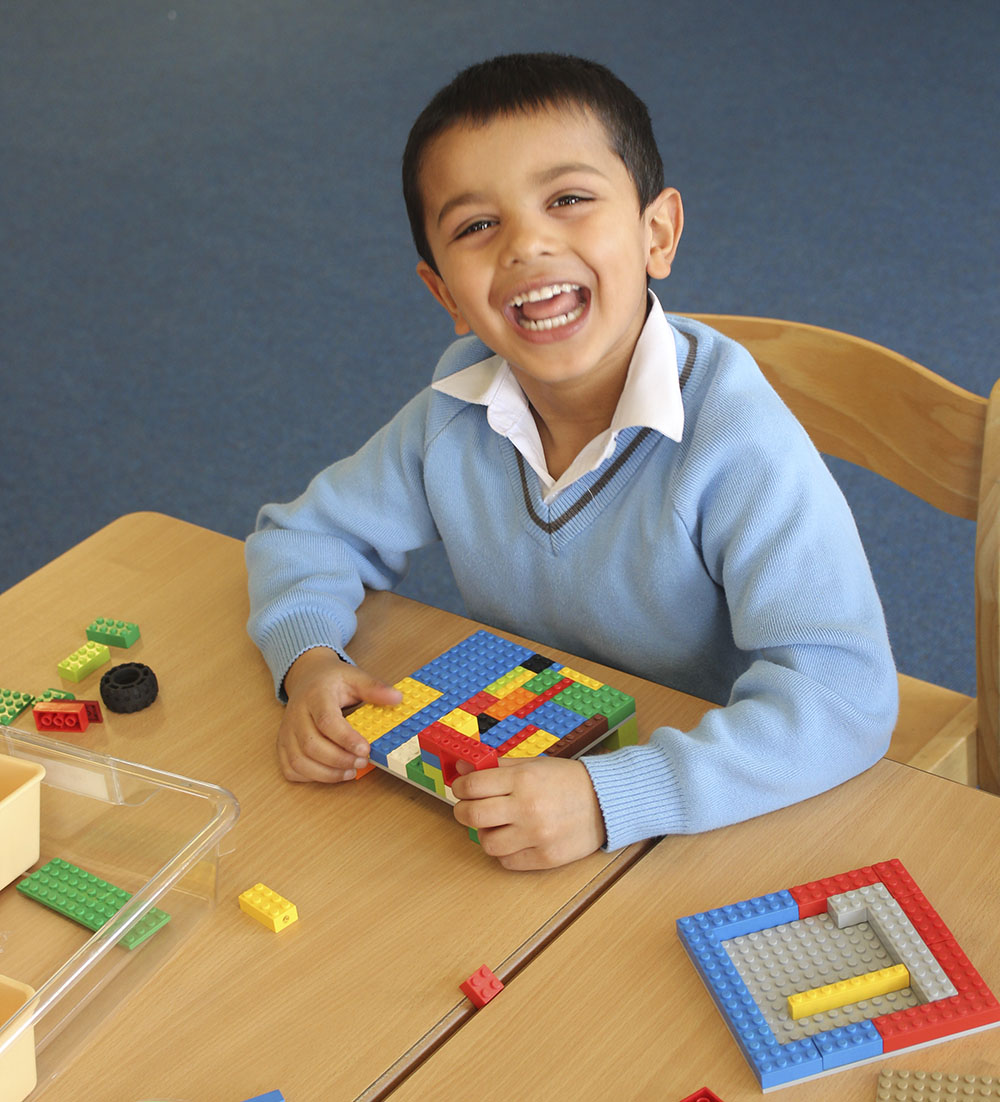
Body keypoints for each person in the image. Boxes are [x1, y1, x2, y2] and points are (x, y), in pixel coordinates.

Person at [246, 52, 898, 870]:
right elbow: (300, 539)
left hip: (720, 794)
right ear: (446, 295)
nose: (527, 243)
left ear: (656, 233)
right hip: (537, 767)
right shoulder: (451, 415)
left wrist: (611, 795)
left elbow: (844, 698)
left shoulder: (737, 444)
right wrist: (308, 662)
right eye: (477, 226)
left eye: (569, 199)